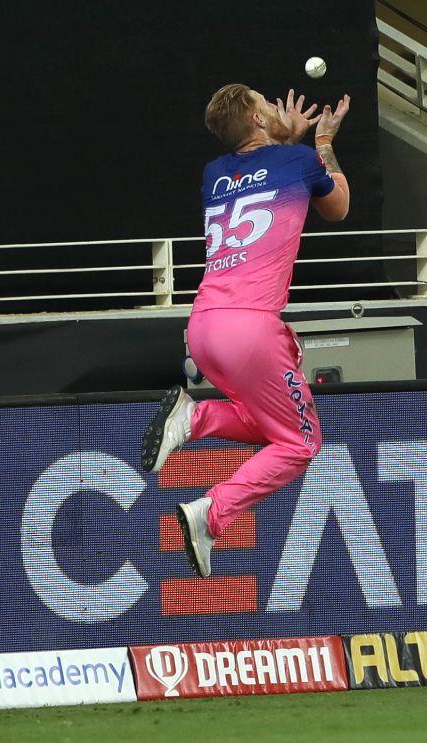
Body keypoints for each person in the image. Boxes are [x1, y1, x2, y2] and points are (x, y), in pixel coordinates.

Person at [141, 83, 351, 578]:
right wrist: (319, 140)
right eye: (266, 105)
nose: (276, 109)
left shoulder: (215, 174)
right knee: (301, 444)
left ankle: (197, 419)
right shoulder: (298, 162)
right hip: (250, 330)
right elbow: (338, 207)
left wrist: (287, 138)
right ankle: (211, 514)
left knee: (266, 428)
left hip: (204, 327)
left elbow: (264, 166)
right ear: (258, 122)